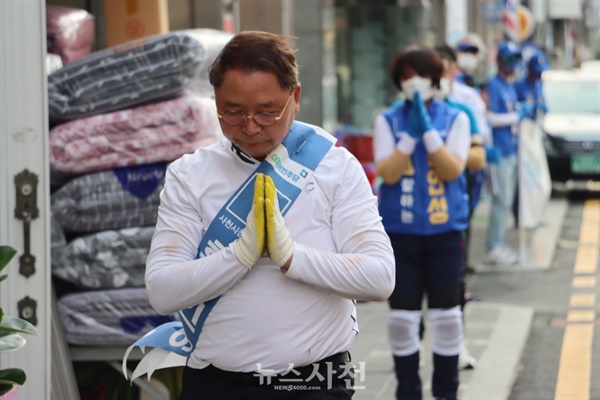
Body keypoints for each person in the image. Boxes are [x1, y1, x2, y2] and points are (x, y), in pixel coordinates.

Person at [144, 31, 395, 400]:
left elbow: (380, 278)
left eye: (266, 111)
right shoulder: (190, 174)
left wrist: (291, 256)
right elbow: (162, 291)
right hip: (215, 383)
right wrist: (238, 256)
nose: (249, 127)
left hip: (313, 382)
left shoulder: (334, 167)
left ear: (295, 97)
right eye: (231, 111)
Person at [373, 44, 471, 400]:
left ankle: (447, 393)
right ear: (398, 82)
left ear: (435, 78)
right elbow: (388, 172)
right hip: (400, 233)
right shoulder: (387, 119)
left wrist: (428, 131)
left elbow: (451, 169)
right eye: (405, 76)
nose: (413, 82)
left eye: (420, 75)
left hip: (447, 233)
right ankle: (408, 392)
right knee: (402, 320)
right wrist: (410, 134)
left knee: (447, 317)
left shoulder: (456, 118)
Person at [434, 44, 486, 371]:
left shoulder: (462, 109)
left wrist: (444, 153)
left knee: (453, 284)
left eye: (439, 70)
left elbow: (478, 158)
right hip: (413, 222)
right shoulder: (403, 112)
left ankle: (456, 348)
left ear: (452, 70)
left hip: (453, 213)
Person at [484, 41, 534, 265]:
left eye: (516, 59)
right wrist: (517, 117)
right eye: (509, 59)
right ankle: (494, 246)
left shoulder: (510, 85)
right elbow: (491, 117)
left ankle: (501, 244)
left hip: (512, 149)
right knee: (501, 200)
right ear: (500, 61)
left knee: (508, 199)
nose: (512, 64)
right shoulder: (494, 85)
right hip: (500, 149)